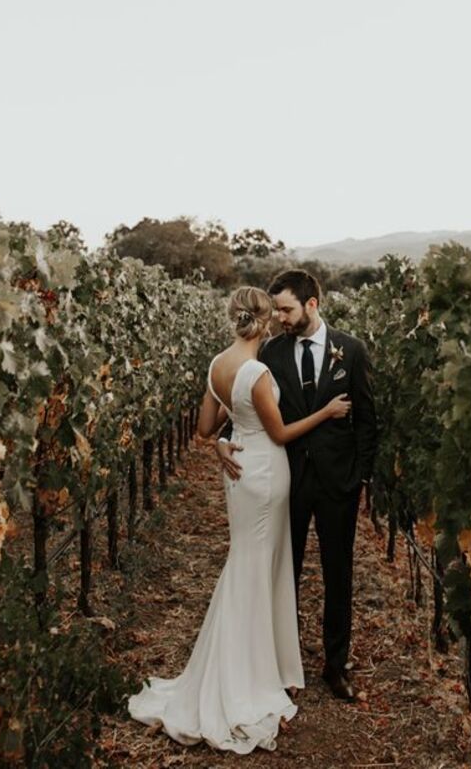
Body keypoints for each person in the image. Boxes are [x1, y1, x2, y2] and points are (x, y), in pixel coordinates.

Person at [127, 285, 352, 754]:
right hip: (267, 472)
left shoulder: (217, 366)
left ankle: (252, 663)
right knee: (260, 567)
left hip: (239, 476)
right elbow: (281, 431)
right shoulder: (258, 371)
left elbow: (206, 430)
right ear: (266, 320)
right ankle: (251, 674)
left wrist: (226, 442)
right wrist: (327, 412)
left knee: (247, 563)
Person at [215, 269, 378, 702]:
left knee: (337, 574)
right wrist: (223, 440)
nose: (280, 318)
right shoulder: (268, 353)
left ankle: (335, 666)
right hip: (284, 480)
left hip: (337, 484)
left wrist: (359, 478)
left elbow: (368, 420)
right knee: (282, 571)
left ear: (312, 304)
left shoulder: (353, 350)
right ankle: (276, 663)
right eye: (277, 310)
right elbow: (243, 408)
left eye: (286, 309)